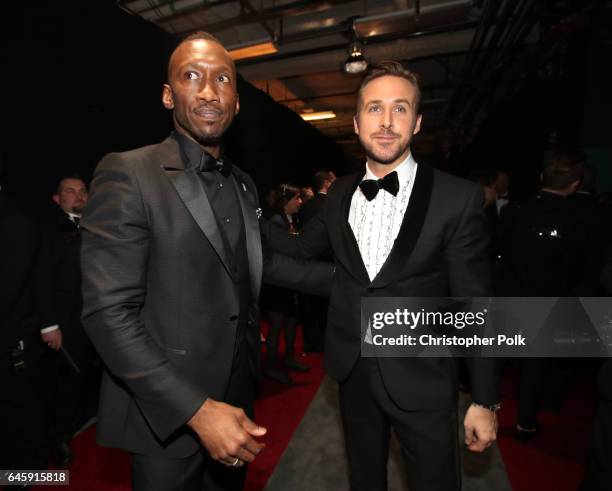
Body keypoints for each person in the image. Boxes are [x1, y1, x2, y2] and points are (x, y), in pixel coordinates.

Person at [80, 32, 331, 491]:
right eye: (192, 76)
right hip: (166, 414)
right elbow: (107, 313)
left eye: (223, 80)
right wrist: (196, 409)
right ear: (168, 94)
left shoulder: (244, 185)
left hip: (236, 402)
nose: (210, 91)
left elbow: (265, 264)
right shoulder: (128, 172)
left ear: (236, 101)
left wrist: (356, 280)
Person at [265, 61, 500, 490]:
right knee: (364, 479)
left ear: (417, 121)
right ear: (356, 123)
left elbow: (474, 304)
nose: (387, 121)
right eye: (375, 108)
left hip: (424, 379)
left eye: (400, 108)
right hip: (352, 371)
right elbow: (299, 250)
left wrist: (485, 399)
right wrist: (241, 217)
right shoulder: (338, 194)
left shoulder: (457, 197)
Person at [498, 151, 606, 441]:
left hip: (511, 296)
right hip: (552, 302)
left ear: (541, 179)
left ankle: (485, 405)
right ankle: (525, 423)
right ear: (573, 185)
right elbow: (587, 270)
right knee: (535, 365)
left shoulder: (514, 212)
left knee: (497, 357)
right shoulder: (584, 223)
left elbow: (499, 257)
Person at [37, 174, 100, 466]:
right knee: (61, 386)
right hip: (64, 322)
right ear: (57, 199)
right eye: (70, 191)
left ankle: (79, 425)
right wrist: (49, 324)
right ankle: (57, 439)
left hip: (94, 320)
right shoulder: (48, 231)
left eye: (82, 190)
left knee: (85, 379)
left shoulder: (97, 227)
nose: (78, 195)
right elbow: (41, 279)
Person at [0, 156, 48, 472]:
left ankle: (22, 472)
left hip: (11, 337)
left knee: (18, 409)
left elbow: (9, 288)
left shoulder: (16, 223)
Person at [261, 184, 308, 385]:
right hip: (276, 283)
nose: (300, 202)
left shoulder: (290, 218)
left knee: (290, 320)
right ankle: (271, 367)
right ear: (285, 201)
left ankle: (288, 358)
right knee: (277, 324)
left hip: (288, 281)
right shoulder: (276, 221)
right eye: (296, 198)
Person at [299, 169, 336, 353]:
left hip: (307, 261)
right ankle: (324, 344)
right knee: (326, 307)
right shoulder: (333, 204)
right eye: (334, 180)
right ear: (327, 183)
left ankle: (310, 343)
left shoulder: (306, 205)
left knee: (309, 307)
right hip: (328, 261)